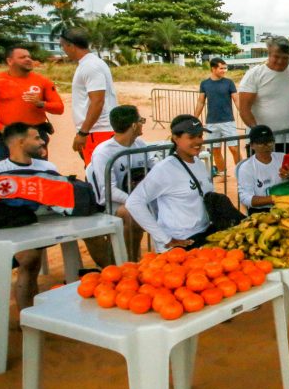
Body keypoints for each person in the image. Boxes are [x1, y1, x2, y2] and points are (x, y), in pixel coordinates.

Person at [0, 123, 58, 310]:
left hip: (43, 227)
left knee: (31, 255)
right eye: (36, 138)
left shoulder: (48, 168)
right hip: (7, 230)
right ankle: (28, 317)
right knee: (29, 257)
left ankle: (32, 313)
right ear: (20, 142)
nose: (42, 141)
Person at [126, 115, 215, 251]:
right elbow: (134, 203)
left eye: (200, 136)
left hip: (203, 236)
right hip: (181, 243)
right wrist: (165, 238)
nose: (198, 141)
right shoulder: (164, 169)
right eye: (191, 137)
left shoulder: (199, 164)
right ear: (175, 138)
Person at [0, 45, 64, 162]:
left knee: (38, 171)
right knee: (2, 171)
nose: (28, 59)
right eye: (22, 57)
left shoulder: (43, 81)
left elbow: (59, 108)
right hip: (8, 135)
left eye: (29, 57)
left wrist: (41, 103)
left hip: (36, 135)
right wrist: (1, 128)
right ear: (10, 61)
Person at [86, 105, 152, 260]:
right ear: (134, 125)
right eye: (141, 120)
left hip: (134, 197)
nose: (142, 124)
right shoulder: (104, 152)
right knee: (132, 213)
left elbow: (153, 171)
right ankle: (129, 261)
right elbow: (109, 190)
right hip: (110, 203)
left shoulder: (140, 144)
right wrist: (135, 201)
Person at [60, 28, 118, 166]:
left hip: (97, 131)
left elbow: (97, 101)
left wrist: (83, 133)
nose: (63, 50)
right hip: (95, 131)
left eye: (62, 46)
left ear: (71, 45)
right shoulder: (89, 64)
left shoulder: (90, 66)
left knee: (97, 173)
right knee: (94, 171)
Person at [194, 57, 241, 175]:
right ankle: (222, 173)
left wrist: (243, 112)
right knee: (215, 150)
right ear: (213, 69)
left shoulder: (229, 82)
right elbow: (200, 102)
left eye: (225, 68)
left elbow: (236, 99)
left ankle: (242, 172)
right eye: (221, 68)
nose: (224, 70)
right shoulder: (205, 84)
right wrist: (194, 117)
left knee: (234, 148)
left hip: (228, 121)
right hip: (211, 122)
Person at [235, 125, 289, 213]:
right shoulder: (246, 168)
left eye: (269, 142)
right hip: (262, 211)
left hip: (288, 207)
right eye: (261, 143)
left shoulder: (282, 157)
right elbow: (245, 198)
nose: (266, 146)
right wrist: (273, 199)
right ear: (251, 145)